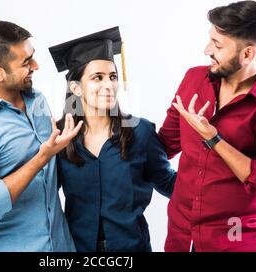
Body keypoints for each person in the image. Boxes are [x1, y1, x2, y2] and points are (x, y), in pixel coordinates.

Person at [158, 0, 256, 252]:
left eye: (217, 45)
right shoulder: (194, 79)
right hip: (181, 238)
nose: (207, 50)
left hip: (237, 243)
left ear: (247, 54)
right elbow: (163, 145)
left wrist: (213, 139)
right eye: (210, 40)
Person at [0, 20, 82, 251]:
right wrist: (42, 158)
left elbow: (51, 178)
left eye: (33, 56)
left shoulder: (37, 100)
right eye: (26, 62)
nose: (36, 65)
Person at [49, 27, 177, 252]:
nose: (109, 85)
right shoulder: (59, 138)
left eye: (113, 77)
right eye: (97, 77)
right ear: (76, 87)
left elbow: (169, 184)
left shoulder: (141, 132)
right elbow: (44, 197)